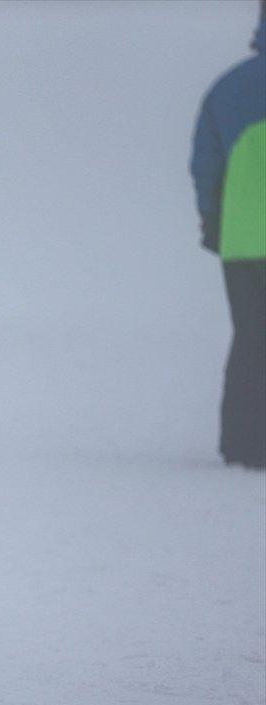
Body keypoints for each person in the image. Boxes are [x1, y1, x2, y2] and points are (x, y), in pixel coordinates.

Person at [189, 7, 265, 470]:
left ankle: (243, 445)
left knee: (252, 338)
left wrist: (212, 222)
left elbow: (206, 167)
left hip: (243, 239)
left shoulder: (228, 88)